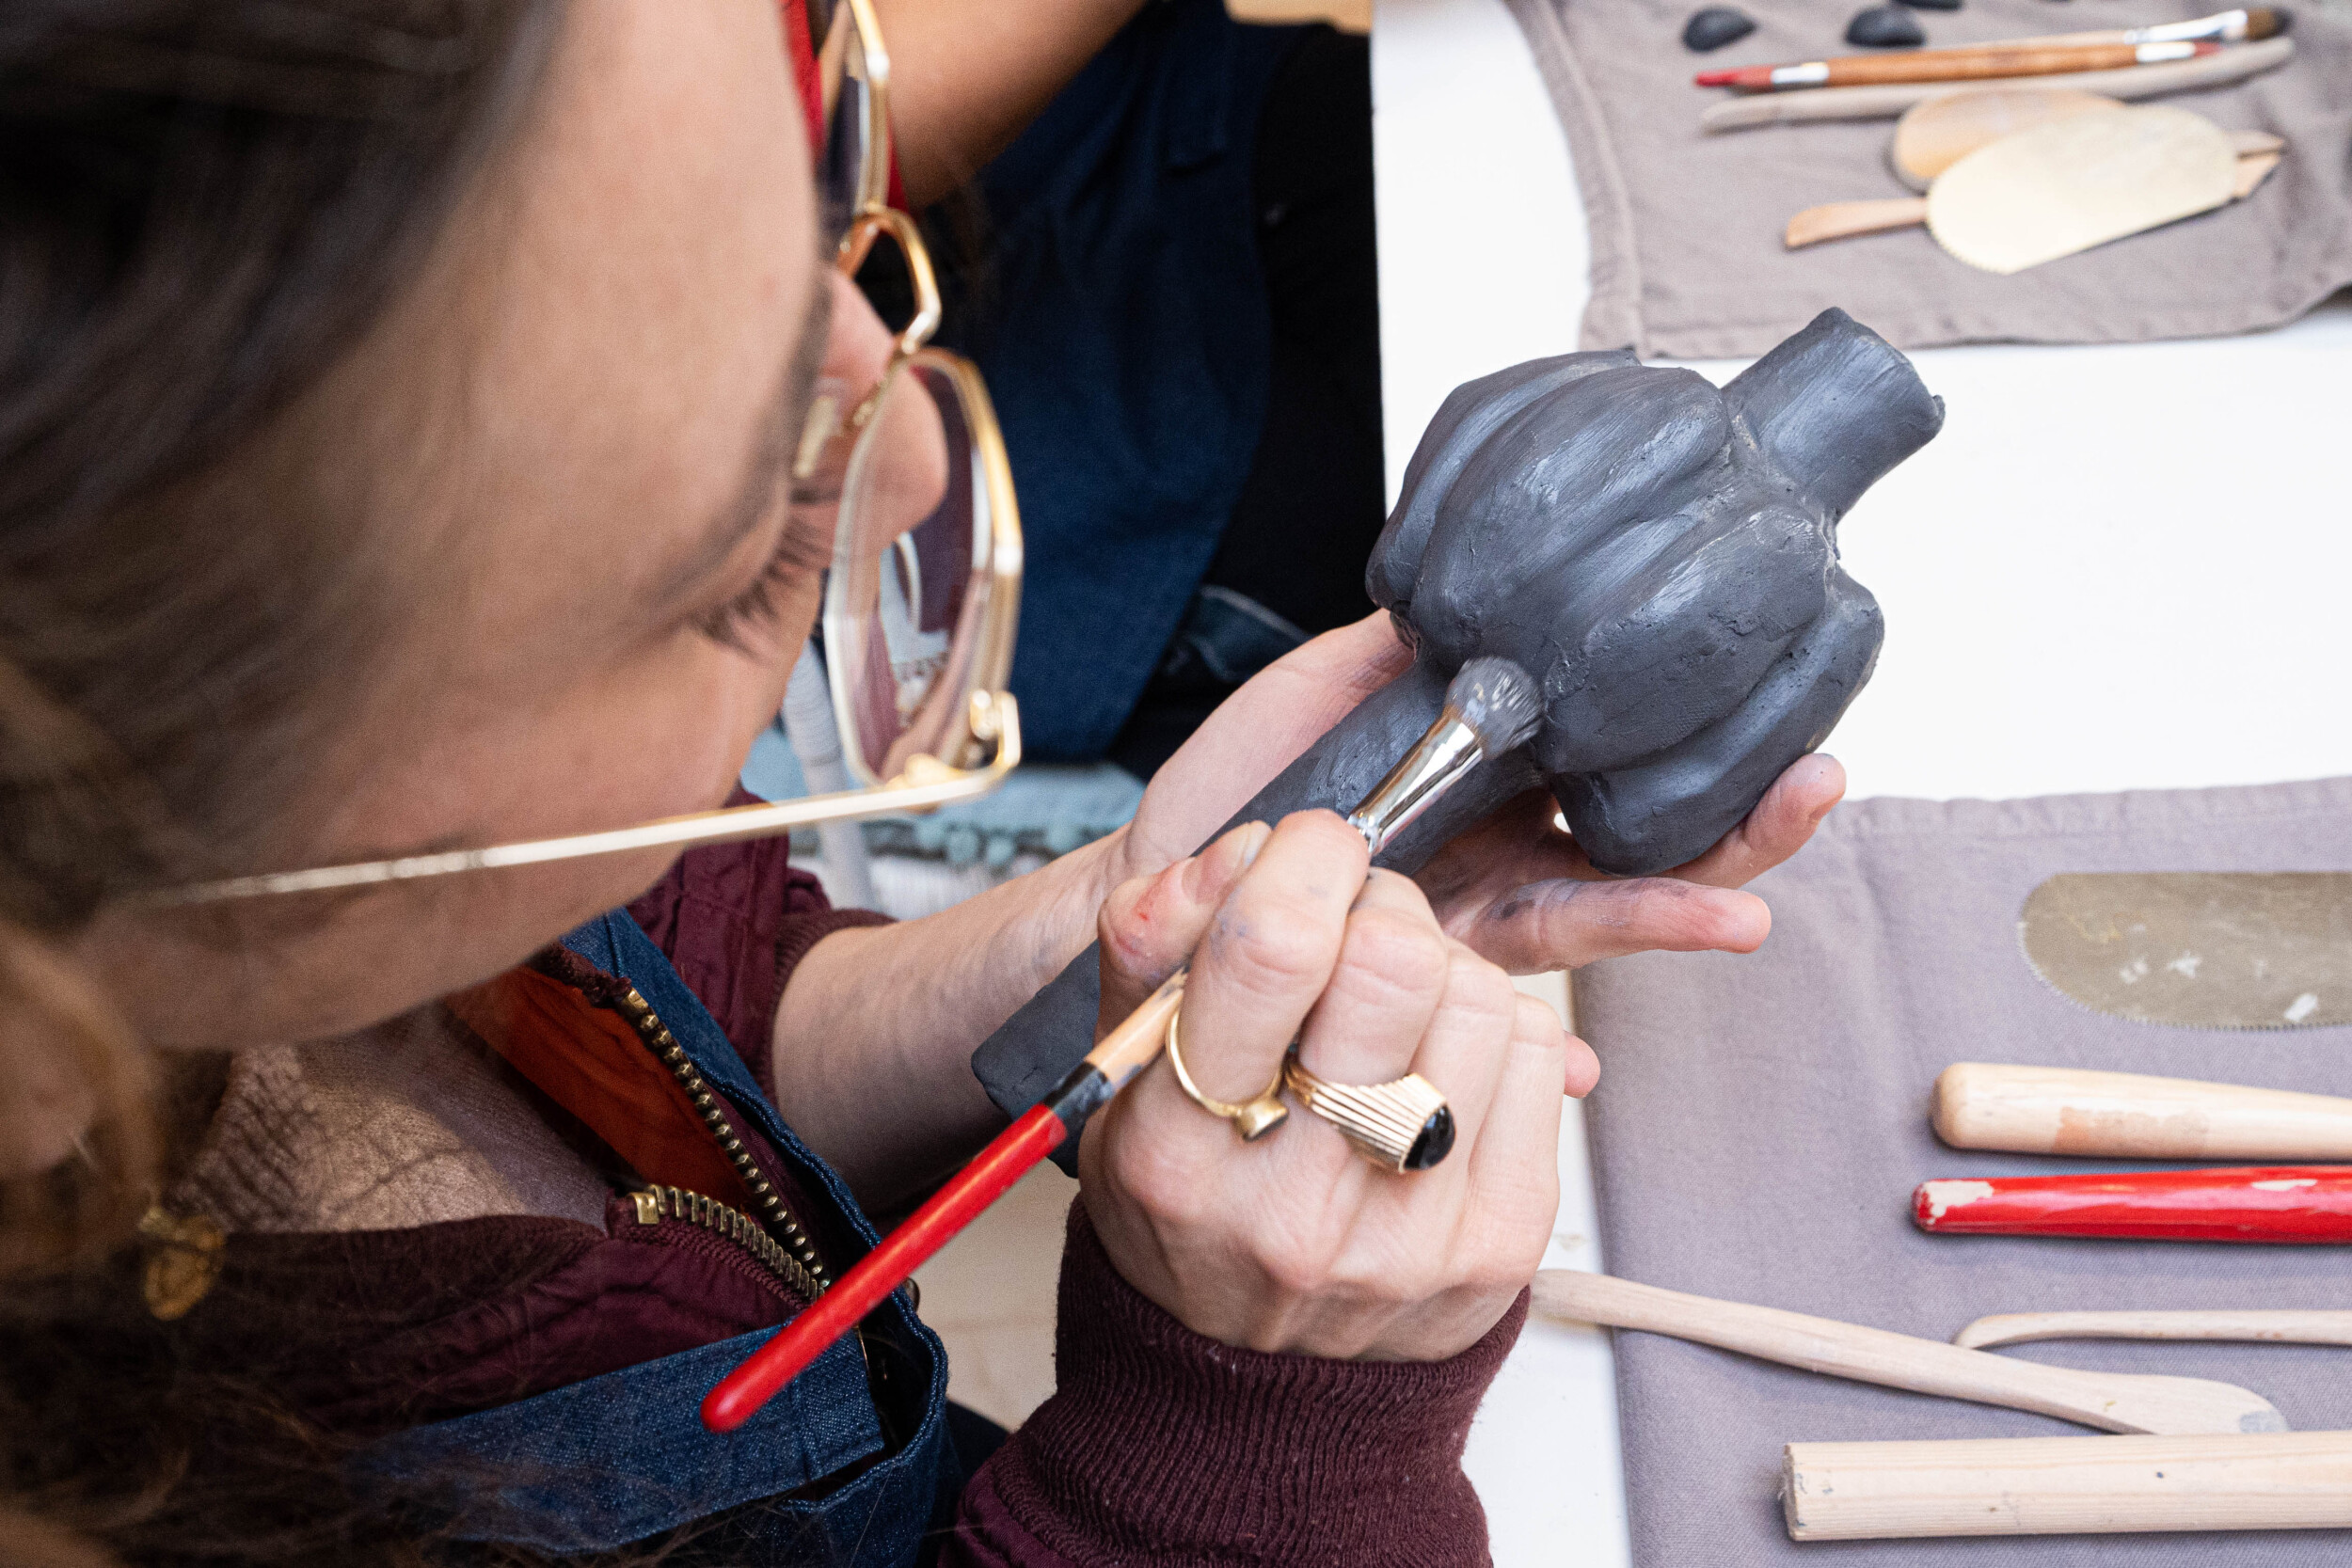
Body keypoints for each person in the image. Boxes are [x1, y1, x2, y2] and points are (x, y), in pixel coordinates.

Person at [0, 4, 1843, 1564]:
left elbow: (687, 1037)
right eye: (735, 532)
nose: (892, 440)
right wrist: (1241, 1438)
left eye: (824, 179)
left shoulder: (332, 892)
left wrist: (1116, 935)